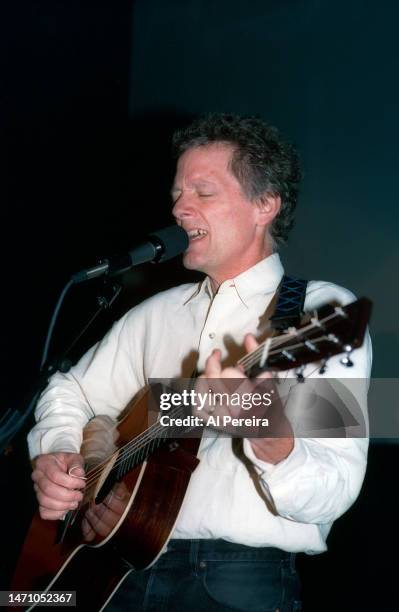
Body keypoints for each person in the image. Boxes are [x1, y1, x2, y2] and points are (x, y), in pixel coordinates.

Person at [28, 114, 372, 611]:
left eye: (202, 193)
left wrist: (270, 436)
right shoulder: (153, 315)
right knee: (18, 601)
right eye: (176, 194)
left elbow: (335, 489)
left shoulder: (321, 312)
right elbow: (68, 391)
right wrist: (59, 454)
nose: (179, 209)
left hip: (237, 580)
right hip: (114, 573)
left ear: (265, 205)